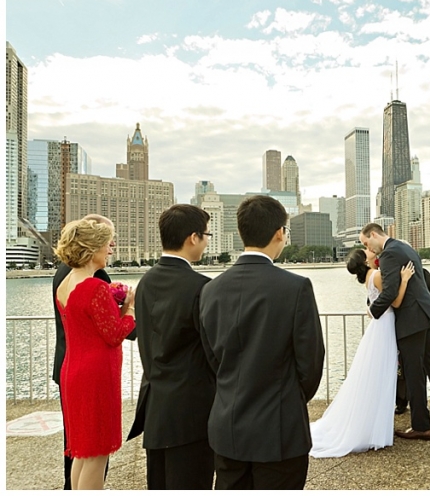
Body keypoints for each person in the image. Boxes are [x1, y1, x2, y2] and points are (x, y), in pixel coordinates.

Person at [199, 195, 325, 490]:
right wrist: (289, 398)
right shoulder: (296, 287)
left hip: (227, 426)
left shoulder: (210, 290)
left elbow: (212, 357)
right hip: (279, 428)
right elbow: (310, 362)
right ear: (280, 232)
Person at [126, 204, 215, 489]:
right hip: (193, 411)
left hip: (156, 408)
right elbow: (214, 351)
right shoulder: (202, 287)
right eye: (206, 235)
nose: (207, 241)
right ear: (193, 237)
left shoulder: (146, 282)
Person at [53, 218, 136, 490]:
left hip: (73, 370)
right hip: (96, 375)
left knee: (82, 451)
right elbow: (114, 334)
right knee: (97, 452)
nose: (110, 249)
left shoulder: (65, 284)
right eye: (106, 244)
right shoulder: (95, 287)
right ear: (92, 249)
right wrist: (130, 308)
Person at [310, 249, 415, 457]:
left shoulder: (369, 277)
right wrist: (403, 280)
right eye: (365, 251)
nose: (370, 251)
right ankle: (375, 427)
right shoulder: (376, 275)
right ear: (365, 261)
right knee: (383, 373)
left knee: (376, 373)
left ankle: (375, 424)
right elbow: (395, 302)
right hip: (384, 325)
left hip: (379, 325)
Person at [361, 224, 430, 441]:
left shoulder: (389, 254)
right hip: (426, 313)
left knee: (414, 372)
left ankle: (421, 426)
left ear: (374, 234)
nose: (369, 248)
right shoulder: (405, 247)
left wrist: (372, 311)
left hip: (411, 319)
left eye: (367, 243)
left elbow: (389, 292)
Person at [395, 267, 430, 415]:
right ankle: (406, 401)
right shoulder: (421, 273)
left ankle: (408, 403)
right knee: (424, 366)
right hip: (424, 322)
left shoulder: (414, 273)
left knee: (412, 368)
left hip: (413, 326)